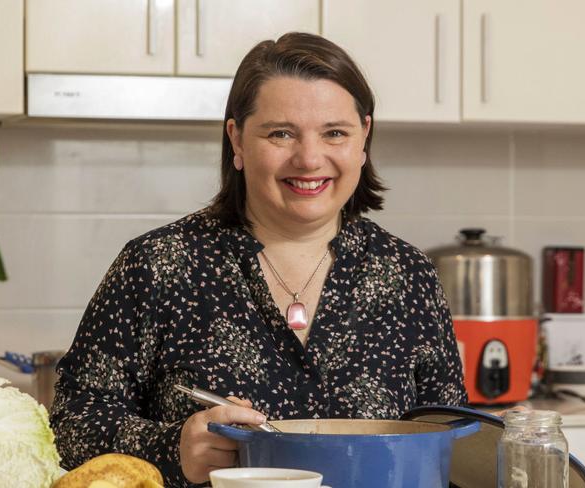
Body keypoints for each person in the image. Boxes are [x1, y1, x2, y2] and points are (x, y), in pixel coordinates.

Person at [50, 32, 467, 487]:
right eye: (281, 133)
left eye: (335, 133)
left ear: (362, 140)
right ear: (238, 140)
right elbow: (71, 426)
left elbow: (452, 438)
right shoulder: (159, 264)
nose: (309, 158)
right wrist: (173, 448)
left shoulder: (408, 274)